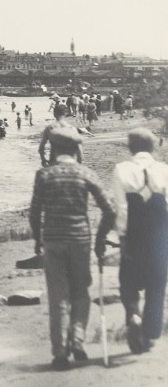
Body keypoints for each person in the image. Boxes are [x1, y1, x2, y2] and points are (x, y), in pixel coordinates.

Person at [28, 127, 116, 370]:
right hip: (80, 240)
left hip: (53, 241)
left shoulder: (44, 175)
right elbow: (110, 210)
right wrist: (100, 240)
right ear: (77, 149)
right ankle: (77, 339)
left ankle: (59, 353)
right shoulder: (85, 173)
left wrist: (37, 239)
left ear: (53, 148)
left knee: (58, 296)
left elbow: (34, 212)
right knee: (80, 292)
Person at [111, 128, 168, 354]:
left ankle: (133, 313)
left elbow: (121, 208)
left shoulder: (121, 169)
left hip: (134, 230)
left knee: (128, 278)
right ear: (153, 147)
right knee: (157, 282)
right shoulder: (164, 170)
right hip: (158, 232)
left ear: (130, 147)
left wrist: (122, 236)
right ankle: (151, 332)